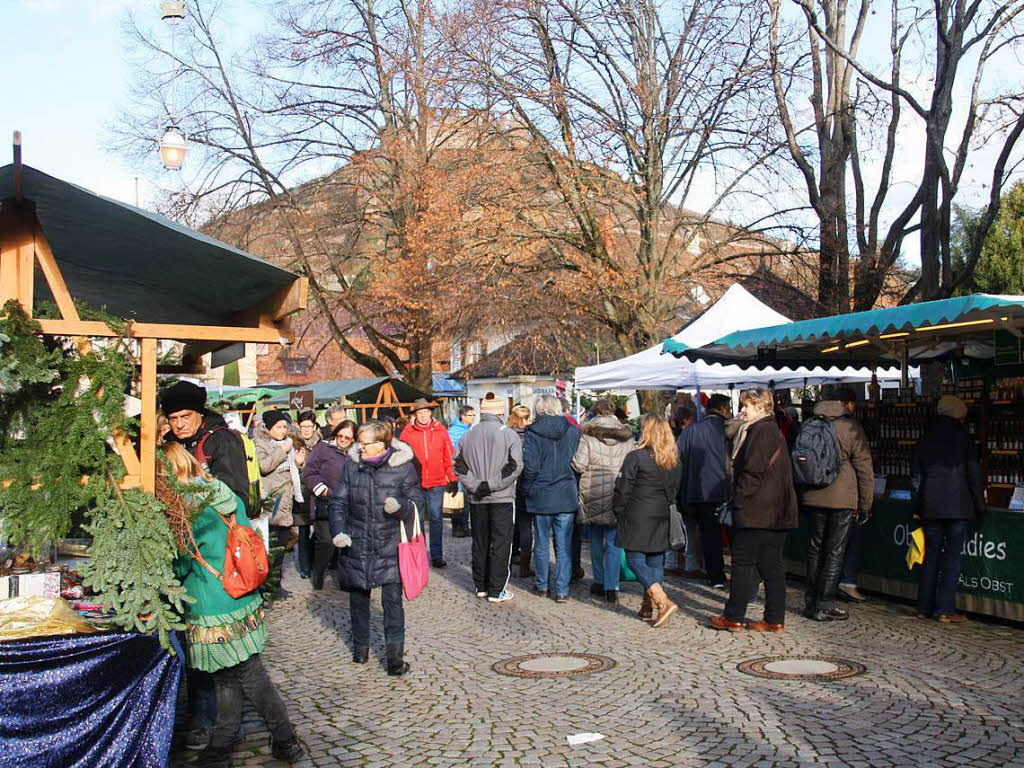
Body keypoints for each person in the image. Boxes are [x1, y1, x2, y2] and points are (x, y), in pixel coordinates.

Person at [165, 443, 304, 768]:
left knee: (249, 675)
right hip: (240, 592)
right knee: (226, 677)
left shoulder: (185, 510)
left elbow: (182, 564)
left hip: (213, 603)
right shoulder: (219, 490)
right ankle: (222, 743)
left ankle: (285, 740)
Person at [328, 421, 425, 674]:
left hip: (390, 545)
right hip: (356, 542)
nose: (359, 447)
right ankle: (360, 650)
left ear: (381, 445)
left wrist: (401, 507)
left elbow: (417, 505)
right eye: (358, 442)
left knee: (392, 603)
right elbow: (338, 502)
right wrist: (339, 531)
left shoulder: (403, 468)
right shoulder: (351, 466)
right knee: (358, 599)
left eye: (364, 443)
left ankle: (395, 660)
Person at [709, 388, 798, 632]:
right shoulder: (771, 431)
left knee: (743, 564)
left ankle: (734, 615)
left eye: (747, 405)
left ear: (761, 407)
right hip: (774, 512)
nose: (743, 410)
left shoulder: (762, 432)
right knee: (772, 567)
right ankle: (774, 618)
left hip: (758, 512)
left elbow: (752, 474)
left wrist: (738, 501)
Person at [800, 387, 874, 622]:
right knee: (834, 552)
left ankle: (810, 601)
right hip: (841, 498)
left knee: (815, 548)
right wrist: (866, 503)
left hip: (813, 493)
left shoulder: (810, 423)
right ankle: (824, 603)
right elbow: (864, 467)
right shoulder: (850, 427)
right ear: (847, 404)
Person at [912, 395, 984, 623]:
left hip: (931, 507)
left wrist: (918, 504)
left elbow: (915, 478)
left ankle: (923, 607)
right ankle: (944, 609)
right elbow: (974, 475)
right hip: (958, 507)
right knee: (952, 557)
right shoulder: (964, 440)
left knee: (931, 555)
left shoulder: (925, 438)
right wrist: (980, 506)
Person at [614, 414, 683, 628]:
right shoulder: (674, 459)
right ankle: (647, 605)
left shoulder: (636, 457)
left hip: (638, 513)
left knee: (634, 559)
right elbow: (676, 490)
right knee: (654, 560)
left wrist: (619, 511)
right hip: (662, 512)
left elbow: (622, 490)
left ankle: (661, 600)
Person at [454, 412, 523, 602]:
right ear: (500, 413)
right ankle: (496, 589)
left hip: (478, 498)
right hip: (501, 497)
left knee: (480, 542)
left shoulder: (467, 434)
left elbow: (459, 465)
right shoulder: (509, 434)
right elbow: (515, 466)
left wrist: (476, 485)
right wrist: (489, 485)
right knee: (501, 544)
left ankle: (481, 586)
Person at [572, 398, 635, 603]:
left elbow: (579, 465)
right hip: (618, 489)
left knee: (596, 539)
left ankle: (598, 581)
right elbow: (632, 464)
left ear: (595, 412)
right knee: (615, 540)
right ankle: (612, 586)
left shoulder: (587, 433)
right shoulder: (626, 435)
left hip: (593, 490)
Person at [521, 395, 580, 602]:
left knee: (542, 543)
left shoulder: (532, 433)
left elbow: (531, 466)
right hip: (565, 491)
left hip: (541, 493)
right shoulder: (573, 431)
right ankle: (562, 589)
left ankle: (542, 585)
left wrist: (527, 489)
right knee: (564, 546)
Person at [161, 381, 252, 514]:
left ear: (200, 413)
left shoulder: (222, 440)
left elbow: (237, 495)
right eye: (173, 419)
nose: (179, 424)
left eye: (186, 416)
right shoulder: (169, 443)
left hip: (217, 524)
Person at [677, 394, 732, 589]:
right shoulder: (728, 430)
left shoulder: (691, 431)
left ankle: (715, 575)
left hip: (697, 491)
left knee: (708, 534)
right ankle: (743, 577)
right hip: (723, 489)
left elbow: (678, 460)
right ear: (724, 409)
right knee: (733, 534)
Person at [399, 398, 458, 568]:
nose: (423, 416)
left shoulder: (440, 430)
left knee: (436, 518)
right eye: (420, 413)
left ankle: (437, 555)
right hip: (415, 483)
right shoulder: (407, 432)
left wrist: (452, 478)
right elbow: (401, 457)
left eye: (425, 412)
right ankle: (419, 554)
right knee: (416, 520)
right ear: (415, 415)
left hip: (437, 480)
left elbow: (448, 455)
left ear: (430, 413)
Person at [301, 419, 357, 590]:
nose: (342, 439)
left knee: (347, 543)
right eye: (340, 435)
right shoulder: (323, 448)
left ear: (353, 439)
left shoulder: (357, 454)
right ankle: (318, 574)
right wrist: (323, 490)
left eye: (347, 437)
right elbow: (309, 473)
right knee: (325, 541)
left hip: (349, 505)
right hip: (326, 503)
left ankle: (345, 579)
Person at [253, 410, 304, 582]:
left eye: (285, 427)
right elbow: (263, 466)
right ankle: (268, 585)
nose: (283, 431)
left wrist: (299, 464)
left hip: (287, 501)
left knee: (282, 545)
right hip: (271, 502)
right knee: (270, 546)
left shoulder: (288, 443)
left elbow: (293, 472)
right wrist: (282, 451)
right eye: (279, 427)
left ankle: (277, 582)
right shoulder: (260, 444)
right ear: (268, 428)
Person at [507, 405, 535, 577]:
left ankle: (508, 559)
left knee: (510, 524)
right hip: (526, 483)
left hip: (509, 484)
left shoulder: (506, 434)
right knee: (525, 526)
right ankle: (525, 564)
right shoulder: (532, 436)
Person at [447, 405, 476, 537]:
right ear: (463, 416)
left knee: (466, 499)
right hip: (458, 469)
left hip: (469, 469)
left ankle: (465, 525)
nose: (473, 418)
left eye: (473, 415)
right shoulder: (455, 430)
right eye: (470, 415)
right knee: (458, 498)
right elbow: (451, 452)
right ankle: (457, 527)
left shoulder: (469, 429)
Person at [290, 436, 313, 579]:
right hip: (295, 499)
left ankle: (308, 566)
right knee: (302, 534)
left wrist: (300, 465)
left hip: (306, 497)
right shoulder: (288, 448)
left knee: (306, 534)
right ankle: (305, 568)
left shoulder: (305, 450)